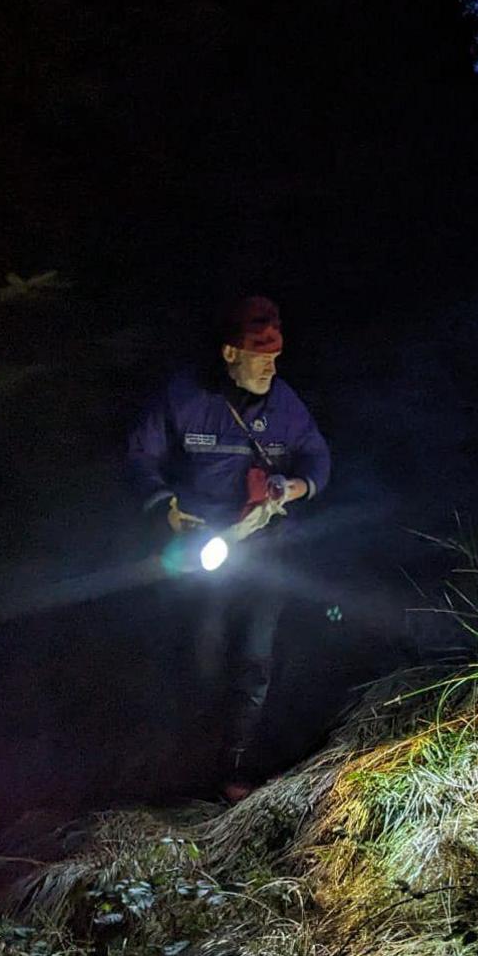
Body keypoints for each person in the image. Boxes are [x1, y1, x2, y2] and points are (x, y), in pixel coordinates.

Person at [127, 296, 331, 799]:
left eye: (276, 357)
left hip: (264, 546)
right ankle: (183, 761)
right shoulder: (185, 398)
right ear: (229, 353)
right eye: (261, 356)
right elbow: (140, 457)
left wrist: (293, 488)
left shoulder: (284, 404)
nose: (270, 367)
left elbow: (317, 457)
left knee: (255, 658)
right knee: (203, 652)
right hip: (202, 549)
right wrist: (164, 507)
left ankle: (234, 768)